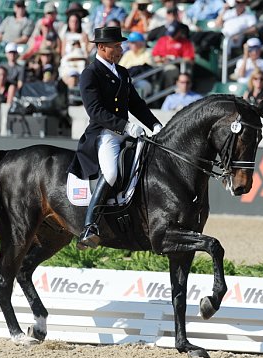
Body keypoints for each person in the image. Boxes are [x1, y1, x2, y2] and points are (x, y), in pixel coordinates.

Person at [68, 26, 162, 249]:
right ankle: (90, 225)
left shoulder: (122, 72)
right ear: (102, 47)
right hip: (104, 135)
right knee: (111, 172)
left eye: (120, 45)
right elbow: (95, 111)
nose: (121, 49)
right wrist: (126, 126)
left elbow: (136, 104)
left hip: (125, 132)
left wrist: (155, 125)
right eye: (116, 46)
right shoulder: (90, 74)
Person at [152, 21, 195, 88]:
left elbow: (190, 59)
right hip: (160, 64)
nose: (170, 36)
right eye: (170, 34)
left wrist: (175, 59)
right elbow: (155, 56)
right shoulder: (162, 40)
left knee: (170, 70)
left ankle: (167, 94)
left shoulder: (185, 42)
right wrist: (162, 59)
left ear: (179, 32)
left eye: (173, 34)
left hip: (175, 65)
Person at [118, 31, 154, 97]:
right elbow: (119, 69)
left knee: (140, 86)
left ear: (140, 43)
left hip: (143, 80)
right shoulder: (128, 54)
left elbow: (147, 69)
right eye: (129, 42)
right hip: (127, 80)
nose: (129, 44)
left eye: (132, 42)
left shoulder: (147, 53)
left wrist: (130, 70)